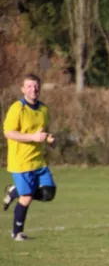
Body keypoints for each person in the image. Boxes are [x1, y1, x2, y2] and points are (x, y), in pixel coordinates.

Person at [2, 73, 57, 241]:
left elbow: (43, 131)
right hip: (21, 162)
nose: (33, 89)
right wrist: (33, 138)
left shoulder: (44, 109)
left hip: (38, 161)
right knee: (27, 197)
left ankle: (14, 192)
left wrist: (49, 139)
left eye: (36, 86)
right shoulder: (17, 108)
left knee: (49, 193)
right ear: (23, 89)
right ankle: (17, 233)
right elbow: (9, 133)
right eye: (29, 86)